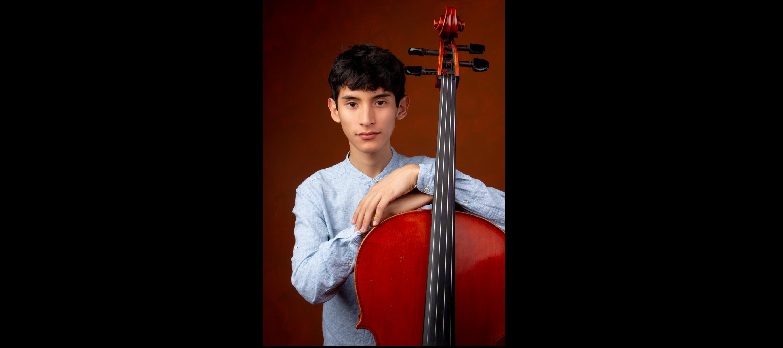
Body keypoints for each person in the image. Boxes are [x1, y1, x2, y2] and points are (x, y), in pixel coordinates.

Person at [290, 43, 505, 346]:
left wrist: (420, 175)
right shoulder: (316, 189)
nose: (367, 118)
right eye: (352, 103)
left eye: (380, 102)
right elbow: (311, 286)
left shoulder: (432, 175)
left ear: (401, 107)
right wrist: (380, 220)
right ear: (334, 110)